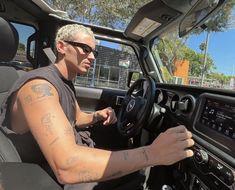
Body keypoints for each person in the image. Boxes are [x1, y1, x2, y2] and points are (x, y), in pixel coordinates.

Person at [0, 24, 194, 189]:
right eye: (85, 49)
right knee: (139, 174)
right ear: (61, 46)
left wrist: (97, 116)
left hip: (71, 150)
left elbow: (75, 117)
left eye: (94, 51)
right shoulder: (38, 87)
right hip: (49, 173)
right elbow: (67, 166)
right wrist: (153, 154)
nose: (92, 57)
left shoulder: (65, 81)